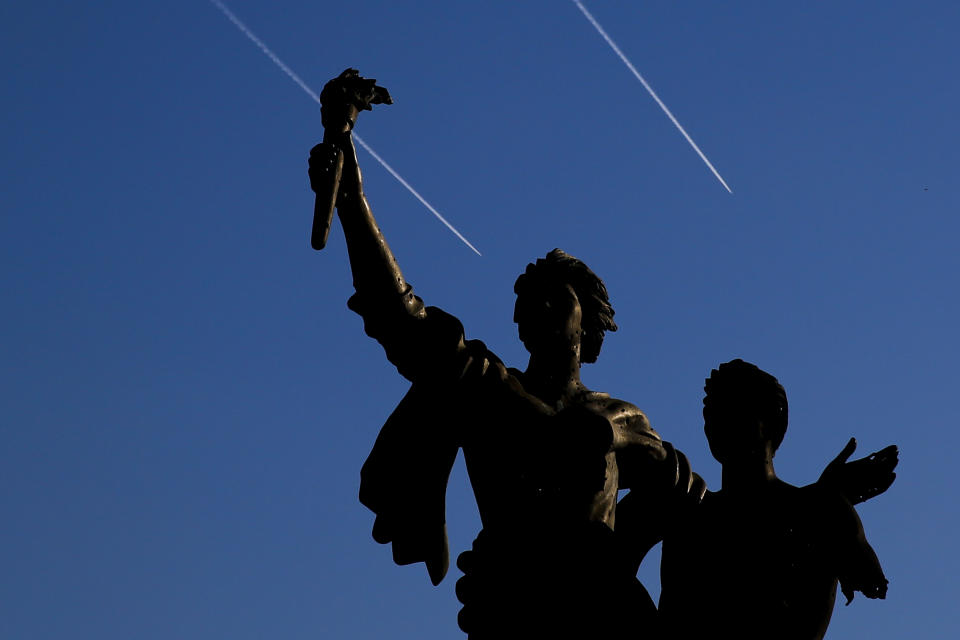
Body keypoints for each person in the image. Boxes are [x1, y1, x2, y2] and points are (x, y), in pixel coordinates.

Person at [309, 71, 689, 638]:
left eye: (552, 299)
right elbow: (400, 316)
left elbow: (694, 508)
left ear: (588, 324)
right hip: (513, 613)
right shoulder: (484, 388)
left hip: (610, 618)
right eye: (525, 301)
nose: (533, 308)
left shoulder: (626, 420)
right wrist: (352, 200)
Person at [653, 359, 894, 640]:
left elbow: (869, 580)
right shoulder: (691, 516)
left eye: (736, 412)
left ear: (771, 422)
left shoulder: (819, 508)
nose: (720, 425)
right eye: (713, 414)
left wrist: (829, 503)